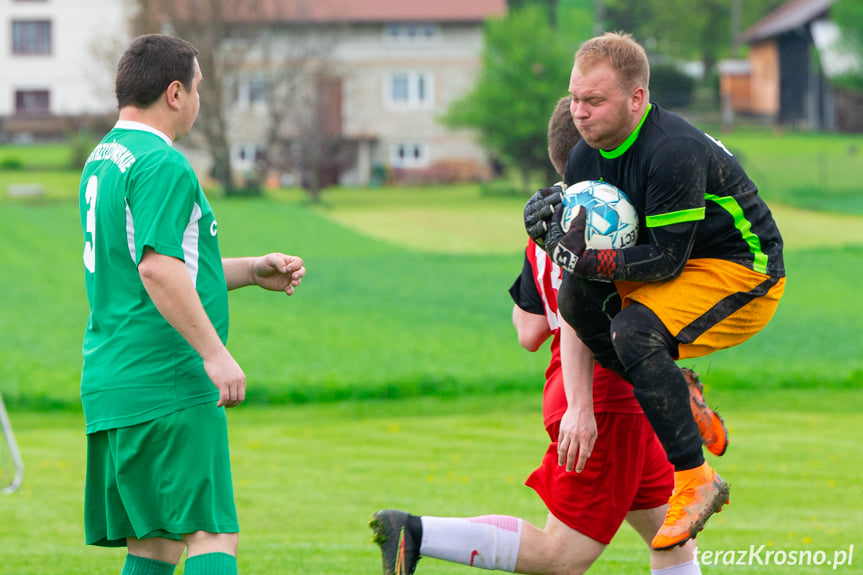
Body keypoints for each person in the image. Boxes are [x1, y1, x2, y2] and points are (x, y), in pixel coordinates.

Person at [369, 97, 727, 575]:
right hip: (605, 396)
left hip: (591, 388)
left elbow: (528, 330)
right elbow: (582, 309)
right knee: (562, 554)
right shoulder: (610, 220)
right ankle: (415, 532)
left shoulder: (546, 227)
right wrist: (583, 406)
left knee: (674, 536)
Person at [524, 32, 785, 551]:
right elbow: (584, 271)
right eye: (575, 98)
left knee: (634, 327)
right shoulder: (583, 158)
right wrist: (552, 239)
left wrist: (585, 257)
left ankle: (696, 479)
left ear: (637, 98)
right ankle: (681, 392)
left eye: (594, 101)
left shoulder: (672, 150)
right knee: (577, 301)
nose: (579, 112)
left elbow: (666, 260)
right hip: (685, 263)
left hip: (745, 270)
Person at [78, 34, 306, 575]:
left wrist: (251, 271)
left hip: (116, 379)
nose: (201, 101)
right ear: (175, 93)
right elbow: (158, 269)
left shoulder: (104, 158)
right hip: (168, 379)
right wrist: (214, 354)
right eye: (200, 88)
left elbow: (155, 269)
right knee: (211, 532)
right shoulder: (163, 164)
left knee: (154, 543)